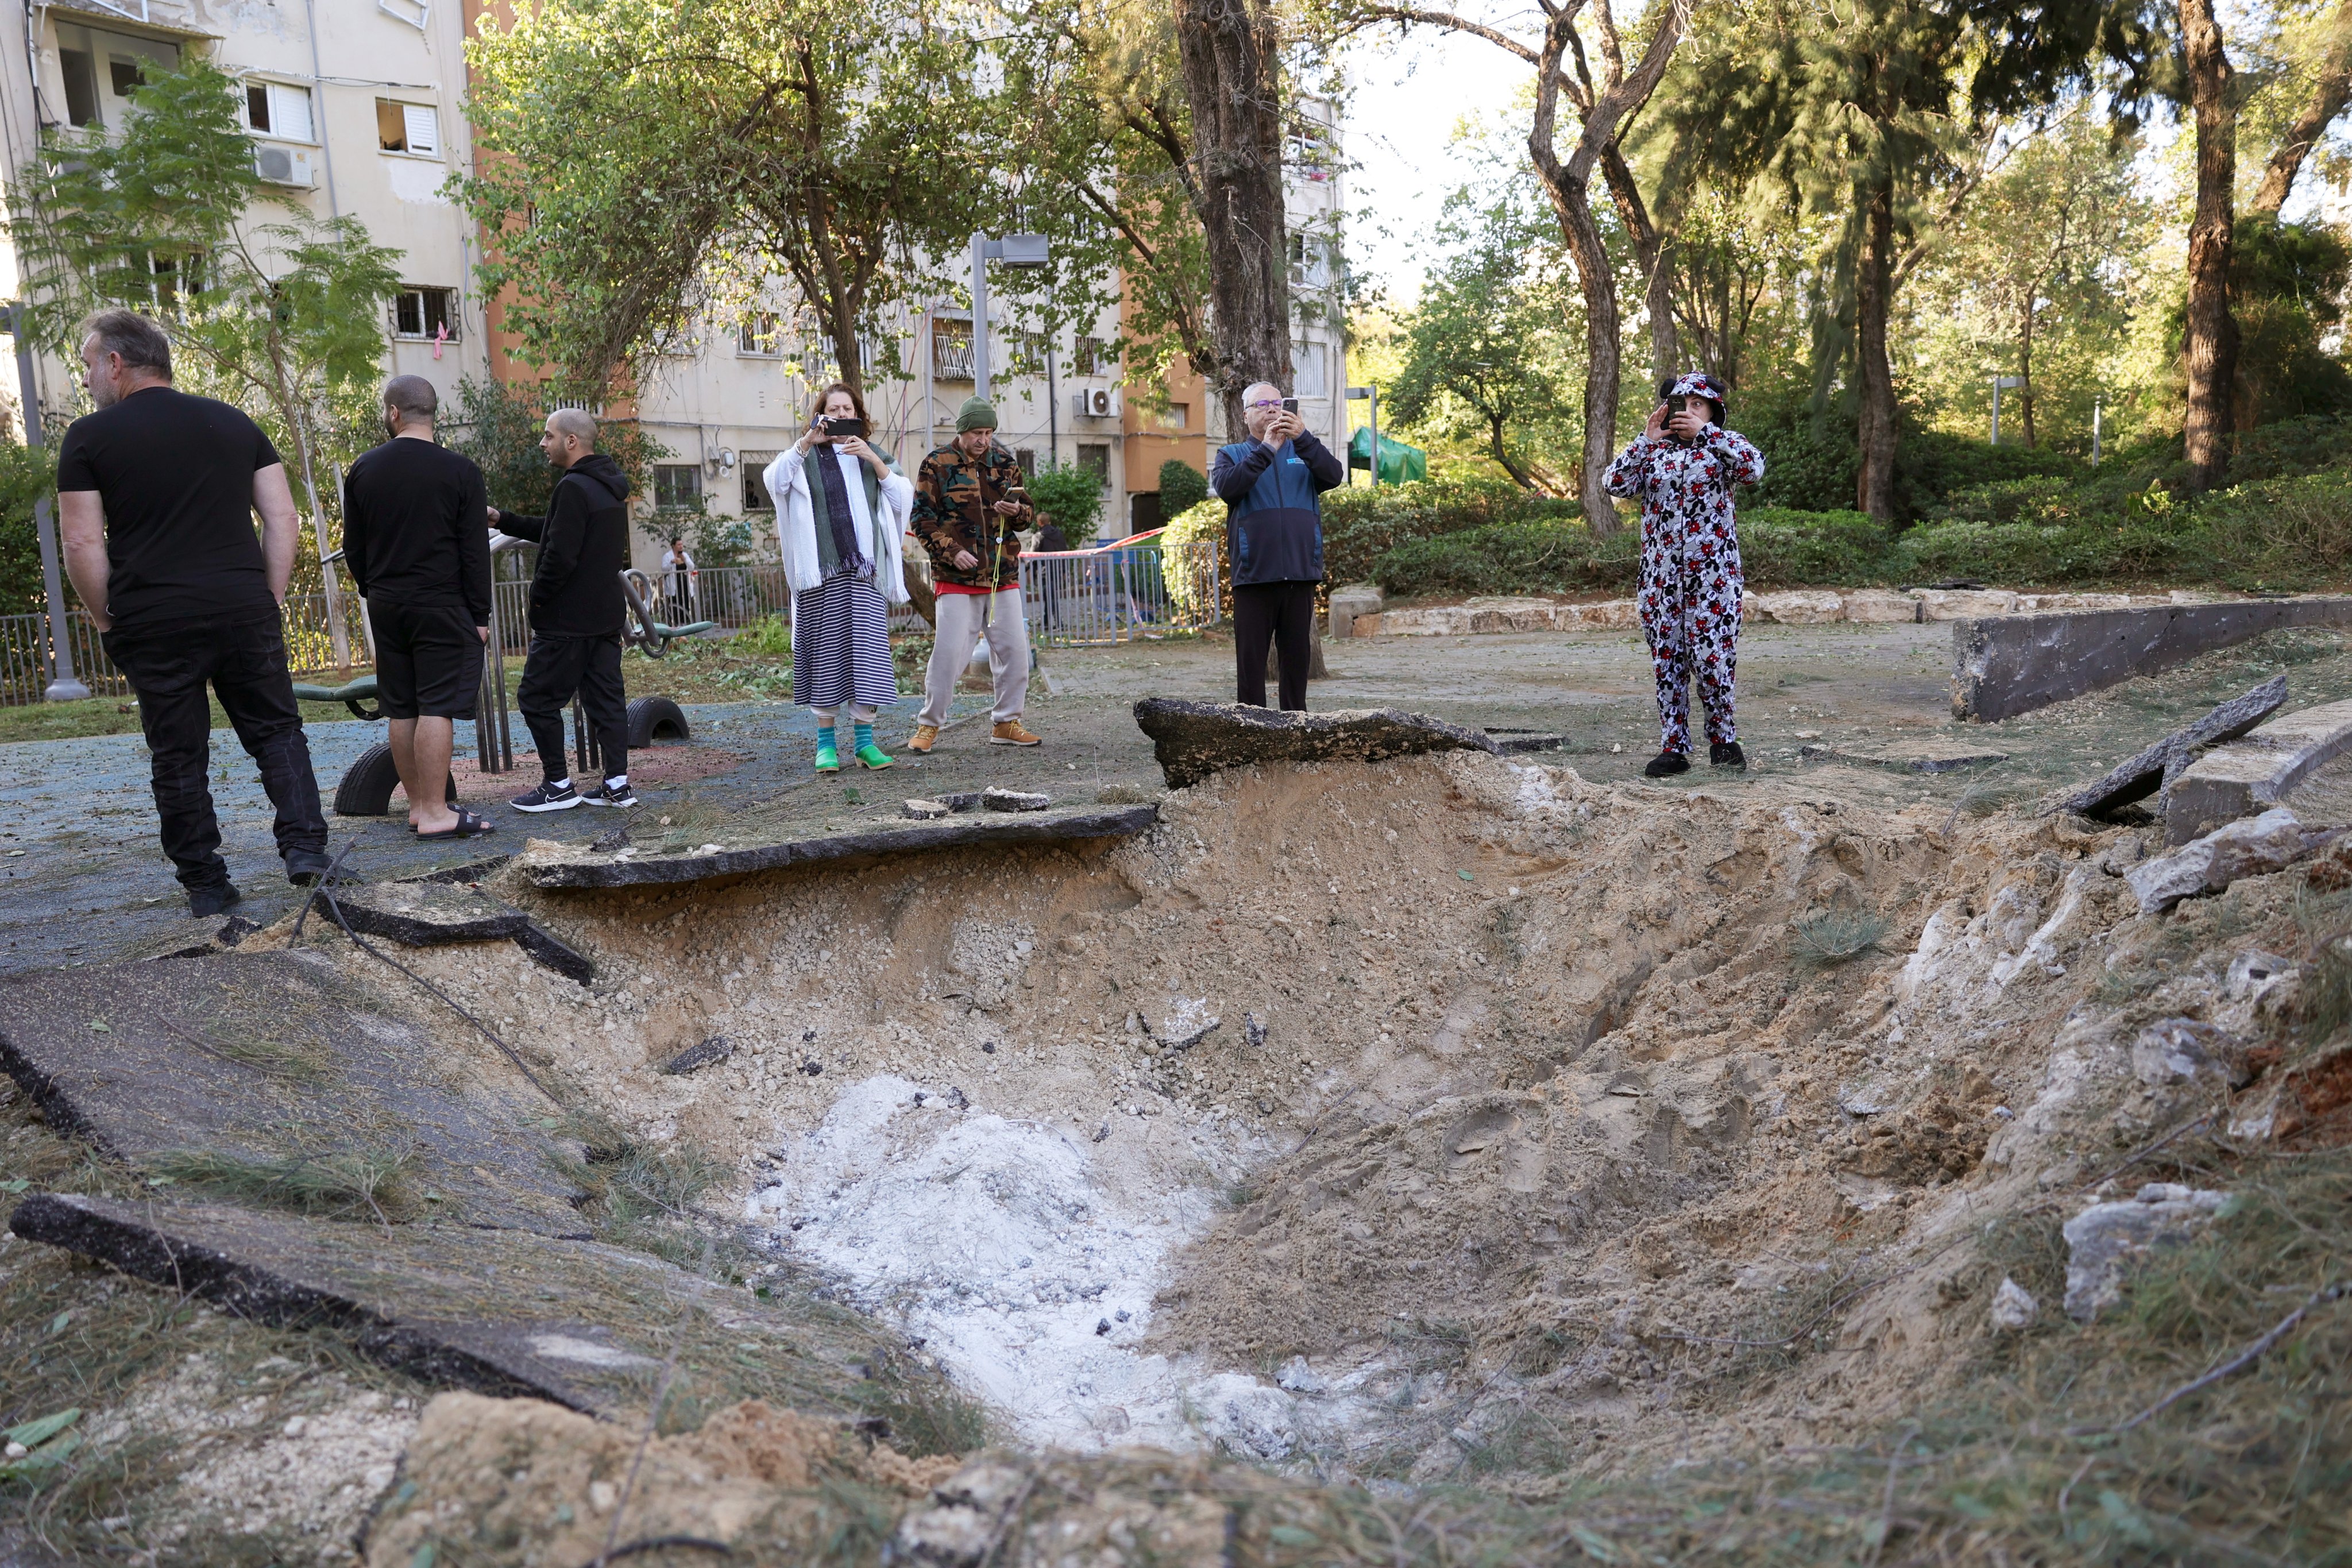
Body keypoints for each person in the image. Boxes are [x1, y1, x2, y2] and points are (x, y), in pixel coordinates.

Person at [55, 309, 334, 915]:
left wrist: (107, 618)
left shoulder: (89, 437)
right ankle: (307, 850)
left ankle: (208, 885)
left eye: (87, 366)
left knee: (179, 753)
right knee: (277, 731)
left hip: (153, 616)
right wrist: (270, 598)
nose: (86, 380)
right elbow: (283, 519)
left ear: (116, 363)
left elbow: (81, 543)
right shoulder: (236, 423)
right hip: (242, 605)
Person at [342, 375, 495, 839]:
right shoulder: (461, 472)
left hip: (388, 602)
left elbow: (354, 548)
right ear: (434, 414)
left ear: (393, 413)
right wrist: (480, 616)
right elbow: (474, 551)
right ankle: (435, 812)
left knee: (402, 707)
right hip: (442, 604)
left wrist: (376, 588)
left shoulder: (364, 469)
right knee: (438, 706)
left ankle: (417, 807)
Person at [1604, 371, 1765, 777]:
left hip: (1713, 580)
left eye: (1698, 405)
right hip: (1659, 580)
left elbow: (1753, 470)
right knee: (1668, 662)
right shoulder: (1652, 452)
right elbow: (1614, 483)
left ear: (1713, 411)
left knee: (1713, 662)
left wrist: (1707, 435)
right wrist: (1645, 440)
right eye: (1681, 404)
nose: (1688, 412)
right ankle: (1673, 748)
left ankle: (1723, 742)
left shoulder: (1724, 447)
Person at [486, 408, 636, 811]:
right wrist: (503, 520)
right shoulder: (606, 486)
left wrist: (537, 600)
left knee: (536, 698)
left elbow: (559, 555)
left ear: (572, 441)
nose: (543, 443)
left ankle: (557, 784)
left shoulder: (573, 487)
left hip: (567, 620)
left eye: (548, 436)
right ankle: (618, 785)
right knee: (605, 700)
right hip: (604, 615)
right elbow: (555, 529)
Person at [763, 382, 913, 771]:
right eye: (834, 408)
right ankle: (825, 745)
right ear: (821, 414)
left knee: (867, 658)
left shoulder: (871, 455)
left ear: (858, 414)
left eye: (848, 408)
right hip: (819, 577)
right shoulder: (804, 455)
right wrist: (805, 444)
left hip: (862, 575)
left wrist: (874, 461)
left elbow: (901, 500)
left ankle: (864, 744)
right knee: (825, 658)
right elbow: (774, 482)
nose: (842, 415)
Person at [907, 396, 1040, 752]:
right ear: (962, 430)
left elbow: (1028, 515)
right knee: (949, 655)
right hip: (955, 579)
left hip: (1002, 575)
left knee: (1015, 653)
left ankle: (1007, 723)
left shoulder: (1005, 464)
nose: (984, 440)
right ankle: (929, 725)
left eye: (989, 432)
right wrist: (952, 552)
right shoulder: (936, 464)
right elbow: (921, 520)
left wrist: (1015, 511)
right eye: (977, 433)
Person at [1209, 383, 1345, 710]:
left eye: (1277, 403)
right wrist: (1267, 450)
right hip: (1255, 576)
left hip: (1300, 573)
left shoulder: (1305, 452)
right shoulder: (1232, 454)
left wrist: (1305, 439)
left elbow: (1335, 475)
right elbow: (1229, 488)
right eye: (1262, 404)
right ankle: (1253, 728)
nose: (1272, 408)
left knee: (1297, 661)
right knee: (1251, 663)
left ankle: (1295, 726)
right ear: (1246, 415)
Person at [661, 533, 696, 619]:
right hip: (675, 583)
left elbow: (692, 567)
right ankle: (676, 621)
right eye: (679, 545)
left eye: (682, 544)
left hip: (685, 582)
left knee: (686, 601)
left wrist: (685, 560)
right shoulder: (668, 556)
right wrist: (672, 562)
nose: (681, 546)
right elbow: (664, 569)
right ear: (673, 546)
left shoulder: (685, 555)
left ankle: (686, 620)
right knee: (676, 601)